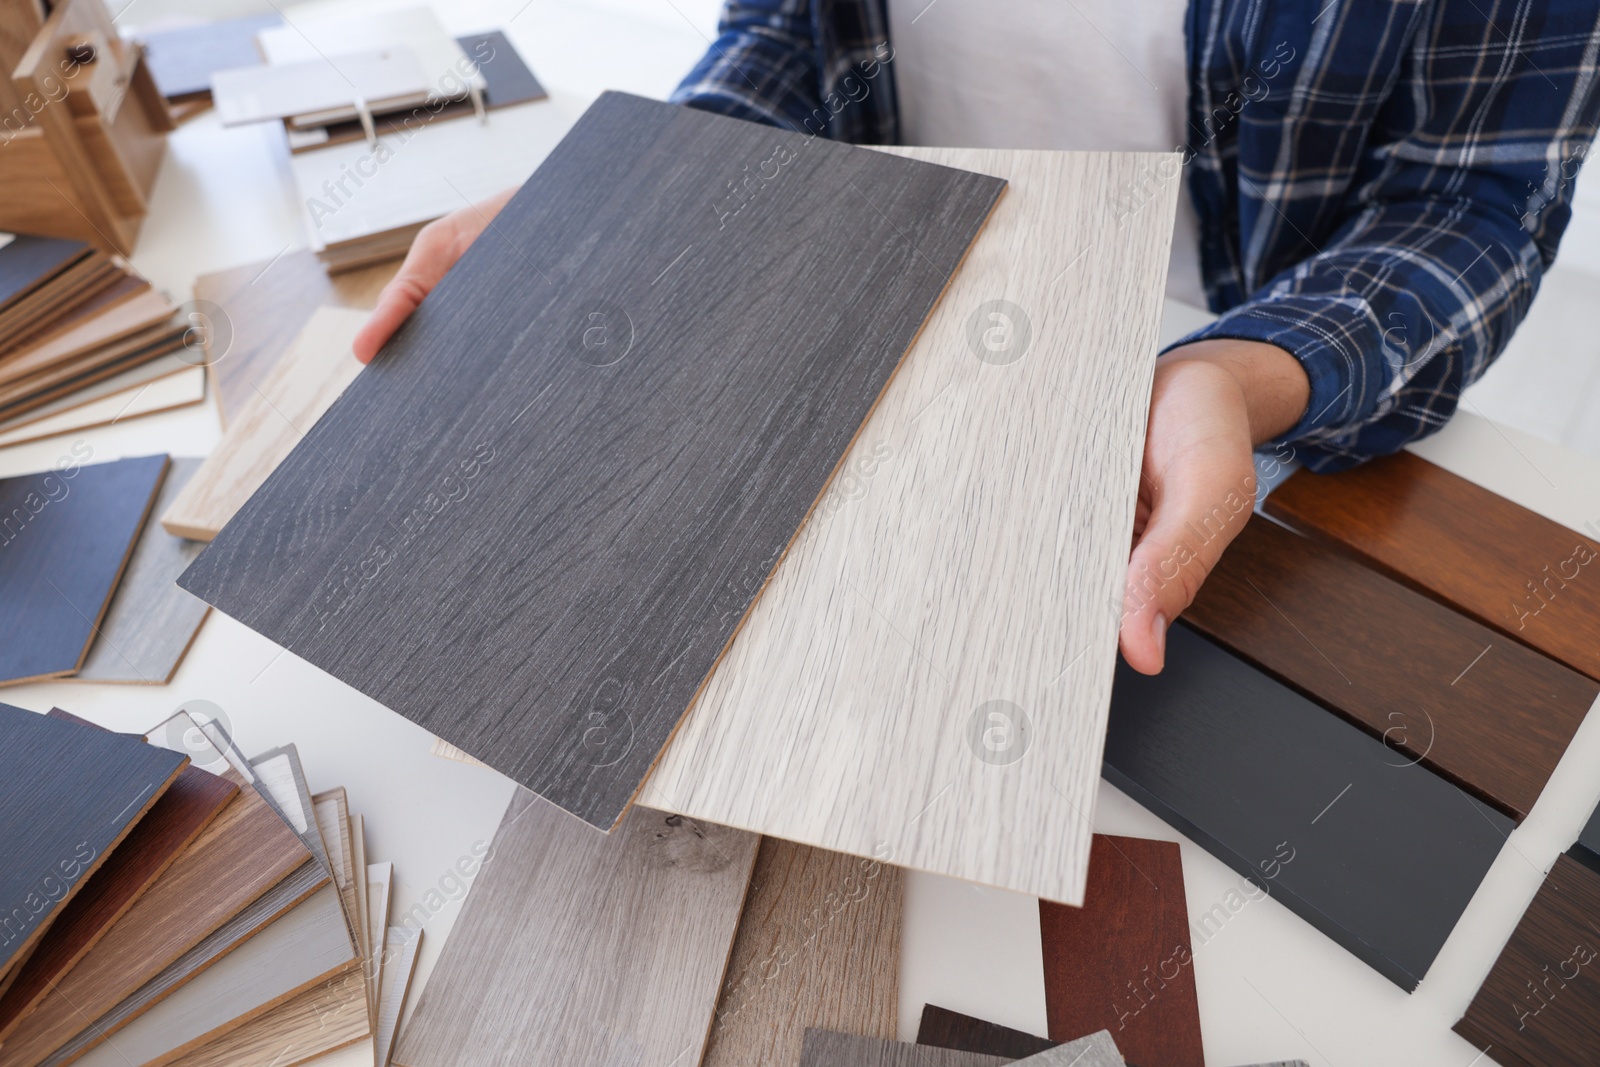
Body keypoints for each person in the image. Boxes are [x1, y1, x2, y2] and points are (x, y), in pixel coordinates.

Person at [351, 0, 1600, 674]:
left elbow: (1469, 201)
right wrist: (644, 189)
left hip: (1222, 334)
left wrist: (1232, 369)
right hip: (872, 280)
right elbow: (793, 32)